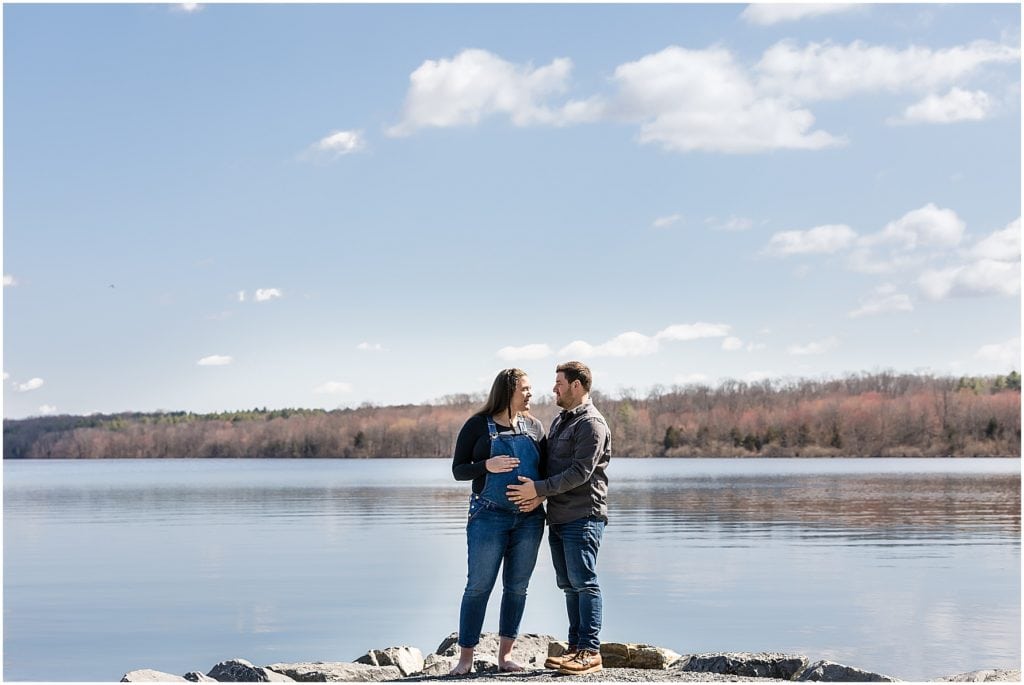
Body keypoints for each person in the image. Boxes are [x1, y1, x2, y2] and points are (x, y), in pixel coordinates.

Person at [506, 361, 610, 676]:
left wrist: (539, 489)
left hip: (583, 515)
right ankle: (575, 648)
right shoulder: (563, 420)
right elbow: (552, 464)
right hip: (560, 516)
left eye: (559, 383)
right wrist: (540, 494)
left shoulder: (591, 423)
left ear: (577, 385)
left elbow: (580, 472)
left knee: (584, 582)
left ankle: (590, 651)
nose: (554, 388)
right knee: (568, 584)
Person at [449, 368, 547, 675]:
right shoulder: (477, 426)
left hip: (530, 521)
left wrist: (540, 498)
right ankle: (465, 660)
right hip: (488, 517)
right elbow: (458, 470)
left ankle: (505, 658)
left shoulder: (535, 427)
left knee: (517, 588)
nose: (531, 394)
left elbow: (546, 475)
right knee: (478, 587)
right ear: (508, 391)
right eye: (526, 389)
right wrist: (486, 465)